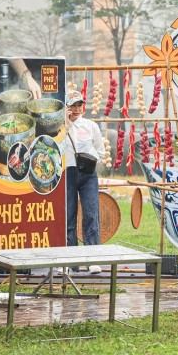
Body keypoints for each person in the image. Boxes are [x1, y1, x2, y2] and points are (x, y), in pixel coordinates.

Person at [61, 95, 107, 249]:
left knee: (91, 213)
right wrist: (66, 126)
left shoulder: (90, 126)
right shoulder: (60, 128)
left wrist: (88, 160)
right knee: (68, 216)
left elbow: (100, 151)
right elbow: (56, 151)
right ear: (66, 107)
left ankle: (93, 257)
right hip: (68, 173)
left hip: (88, 175)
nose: (76, 109)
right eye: (73, 105)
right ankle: (70, 260)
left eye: (79, 105)